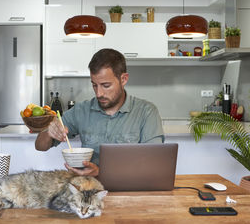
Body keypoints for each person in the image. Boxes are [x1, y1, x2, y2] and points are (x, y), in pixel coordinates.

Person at [35, 48, 164, 176]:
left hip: (130, 192)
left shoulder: (146, 112)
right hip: (89, 192)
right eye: (94, 85)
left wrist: (101, 173)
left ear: (123, 79)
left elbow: (154, 165)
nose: (99, 93)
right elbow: (40, 145)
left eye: (106, 85)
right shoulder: (81, 111)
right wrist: (49, 133)